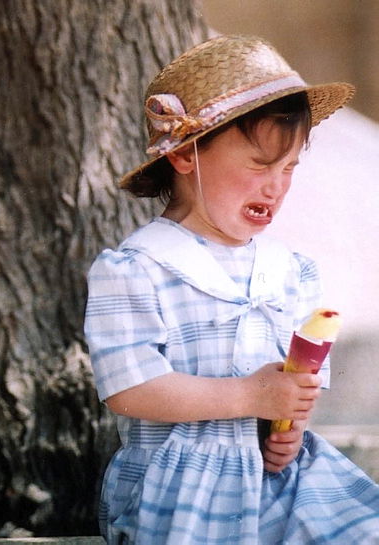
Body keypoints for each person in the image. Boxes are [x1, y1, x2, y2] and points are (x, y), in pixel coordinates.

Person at [84, 34, 379, 544]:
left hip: (277, 480)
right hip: (184, 491)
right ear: (185, 157)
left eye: (289, 169)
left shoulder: (290, 271)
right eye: (260, 164)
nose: (277, 186)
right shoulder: (138, 268)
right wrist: (249, 394)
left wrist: (291, 425)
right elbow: (129, 390)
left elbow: (298, 379)